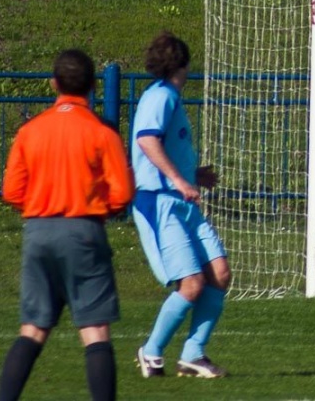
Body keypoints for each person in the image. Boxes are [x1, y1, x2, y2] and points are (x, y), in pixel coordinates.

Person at [0, 49, 134, 401]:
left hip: (38, 231)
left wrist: (43, 202)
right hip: (83, 230)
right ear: (92, 87)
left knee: (33, 328)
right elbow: (121, 194)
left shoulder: (31, 131)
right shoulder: (102, 134)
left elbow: (12, 191)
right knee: (94, 330)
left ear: (54, 84)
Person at [131, 31, 232, 379]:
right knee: (191, 284)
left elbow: (162, 146)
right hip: (160, 202)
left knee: (219, 273)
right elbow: (146, 140)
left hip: (181, 199)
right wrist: (178, 179)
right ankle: (151, 351)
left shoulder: (168, 96)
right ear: (184, 64)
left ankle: (193, 355)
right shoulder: (160, 97)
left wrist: (193, 174)